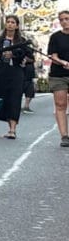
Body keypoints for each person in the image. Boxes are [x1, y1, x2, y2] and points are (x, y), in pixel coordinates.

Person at [0, 15, 35, 140]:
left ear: (17, 25)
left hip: (16, 73)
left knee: (14, 98)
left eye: (12, 22)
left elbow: (31, 58)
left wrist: (17, 56)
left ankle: (12, 129)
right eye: (8, 22)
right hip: (1, 72)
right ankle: (5, 120)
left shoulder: (22, 41)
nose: (10, 24)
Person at [46, 10, 69, 147]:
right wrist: (63, 62)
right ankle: (64, 136)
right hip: (59, 74)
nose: (64, 21)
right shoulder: (55, 37)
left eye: (67, 18)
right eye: (61, 19)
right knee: (60, 104)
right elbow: (52, 56)